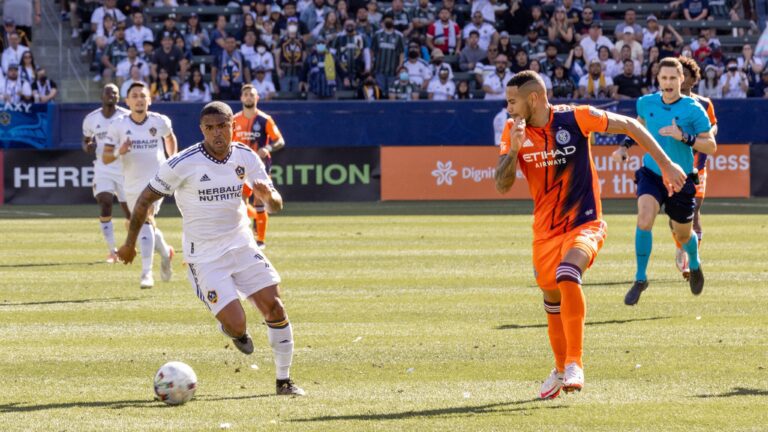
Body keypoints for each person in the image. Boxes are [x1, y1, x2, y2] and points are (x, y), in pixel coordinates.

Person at [494, 70, 686, 398]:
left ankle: (574, 363)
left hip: (585, 222)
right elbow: (502, 184)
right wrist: (513, 150)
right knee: (551, 297)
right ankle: (559, 369)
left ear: (534, 99)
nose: (509, 108)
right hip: (544, 232)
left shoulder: (576, 117)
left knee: (568, 274)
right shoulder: (513, 131)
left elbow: (631, 125)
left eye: (513, 101)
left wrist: (666, 164)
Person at [116, 101, 304, 396]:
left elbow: (274, 202)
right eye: (210, 128)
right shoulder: (182, 163)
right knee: (238, 325)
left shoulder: (245, 156)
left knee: (275, 307)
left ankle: (284, 381)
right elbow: (144, 200)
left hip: (241, 244)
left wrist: (270, 198)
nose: (217, 133)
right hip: (204, 257)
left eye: (223, 126)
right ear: (202, 130)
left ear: (233, 126)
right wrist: (129, 244)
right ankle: (231, 328)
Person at [611, 58, 717, 306]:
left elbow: (710, 146)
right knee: (644, 218)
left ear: (682, 80)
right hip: (652, 173)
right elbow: (639, 128)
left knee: (682, 234)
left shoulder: (694, 109)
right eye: (664, 78)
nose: (668, 82)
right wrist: (624, 147)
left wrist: (685, 137)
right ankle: (640, 278)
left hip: (681, 178)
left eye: (673, 78)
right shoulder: (646, 103)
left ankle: (695, 261)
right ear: (658, 79)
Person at [103, 82, 177, 289]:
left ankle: (147, 273)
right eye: (134, 96)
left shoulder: (160, 121)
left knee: (145, 219)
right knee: (141, 223)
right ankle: (165, 252)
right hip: (131, 183)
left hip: (157, 180)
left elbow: (170, 138)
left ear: (149, 100)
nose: (139, 99)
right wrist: (120, 151)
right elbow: (106, 157)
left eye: (142, 96)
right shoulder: (118, 124)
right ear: (127, 101)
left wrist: (173, 160)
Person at [664, 57, 719, 279]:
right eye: (678, 73)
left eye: (685, 74)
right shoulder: (665, 103)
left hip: (698, 166)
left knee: (694, 210)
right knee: (674, 215)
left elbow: (713, 125)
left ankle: (690, 259)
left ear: (693, 79)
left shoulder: (704, 104)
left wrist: (707, 135)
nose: (681, 77)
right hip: (673, 165)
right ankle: (681, 244)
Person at [82, 84, 131, 263]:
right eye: (109, 92)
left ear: (119, 97)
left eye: (115, 93)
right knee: (105, 202)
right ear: (102, 95)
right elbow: (86, 140)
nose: (112, 95)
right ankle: (112, 251)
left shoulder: (126, 116)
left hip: (125, 168)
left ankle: (135, 246)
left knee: (130, 214)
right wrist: (87, 147)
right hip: (103, 168)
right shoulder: (91, 119)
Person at [233, 85, 286, 248]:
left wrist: (268, 148)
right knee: (238, 201)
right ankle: (244, 232)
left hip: (260, 166)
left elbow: (280, 141)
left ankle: (260, 240)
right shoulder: (234, 120)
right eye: (246, 94)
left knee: (261, 200)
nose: (249, 97)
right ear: (241, 98)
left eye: (252, 95)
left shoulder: (265, 119)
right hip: (239, 166)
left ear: (257, 98)